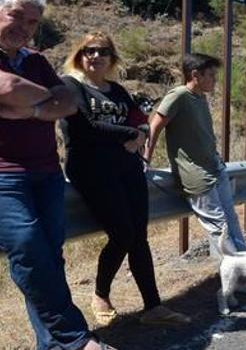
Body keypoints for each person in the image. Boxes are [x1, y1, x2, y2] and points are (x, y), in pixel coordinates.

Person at [0, 0, 113, 350]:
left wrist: (32, 109)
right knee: (28, 244)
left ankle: (54, 345)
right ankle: (76, 341)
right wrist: (44, 99)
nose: (25, 27)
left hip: (44, 171)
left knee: (47, 257)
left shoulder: (34, 58)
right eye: (17, 16)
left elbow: (69, 101)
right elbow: (5, 85)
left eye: (32, 22)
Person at [59, 33, 191, 327]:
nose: (95, 56)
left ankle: (154, 307)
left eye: (103, 51)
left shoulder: (117, 89)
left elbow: (139, 118)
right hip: (92, 171)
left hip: (127, 169)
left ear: (112, 58)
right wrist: (132, 135)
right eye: (89, 51)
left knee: (139, 236)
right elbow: (84, 128)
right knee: (122, 235)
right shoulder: (70, 85)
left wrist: (140, 132)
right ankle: (100, 294)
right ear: (80, 55)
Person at [143, 53, 246, 257]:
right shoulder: (179, 95)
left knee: (232, 221)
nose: (215, 80)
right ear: (195, 75)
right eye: (210, 75)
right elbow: (155, 126)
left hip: (215, 168)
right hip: (196, 175)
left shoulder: (200, 97)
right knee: (220, 229)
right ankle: (239, 279)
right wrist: (146, 158)